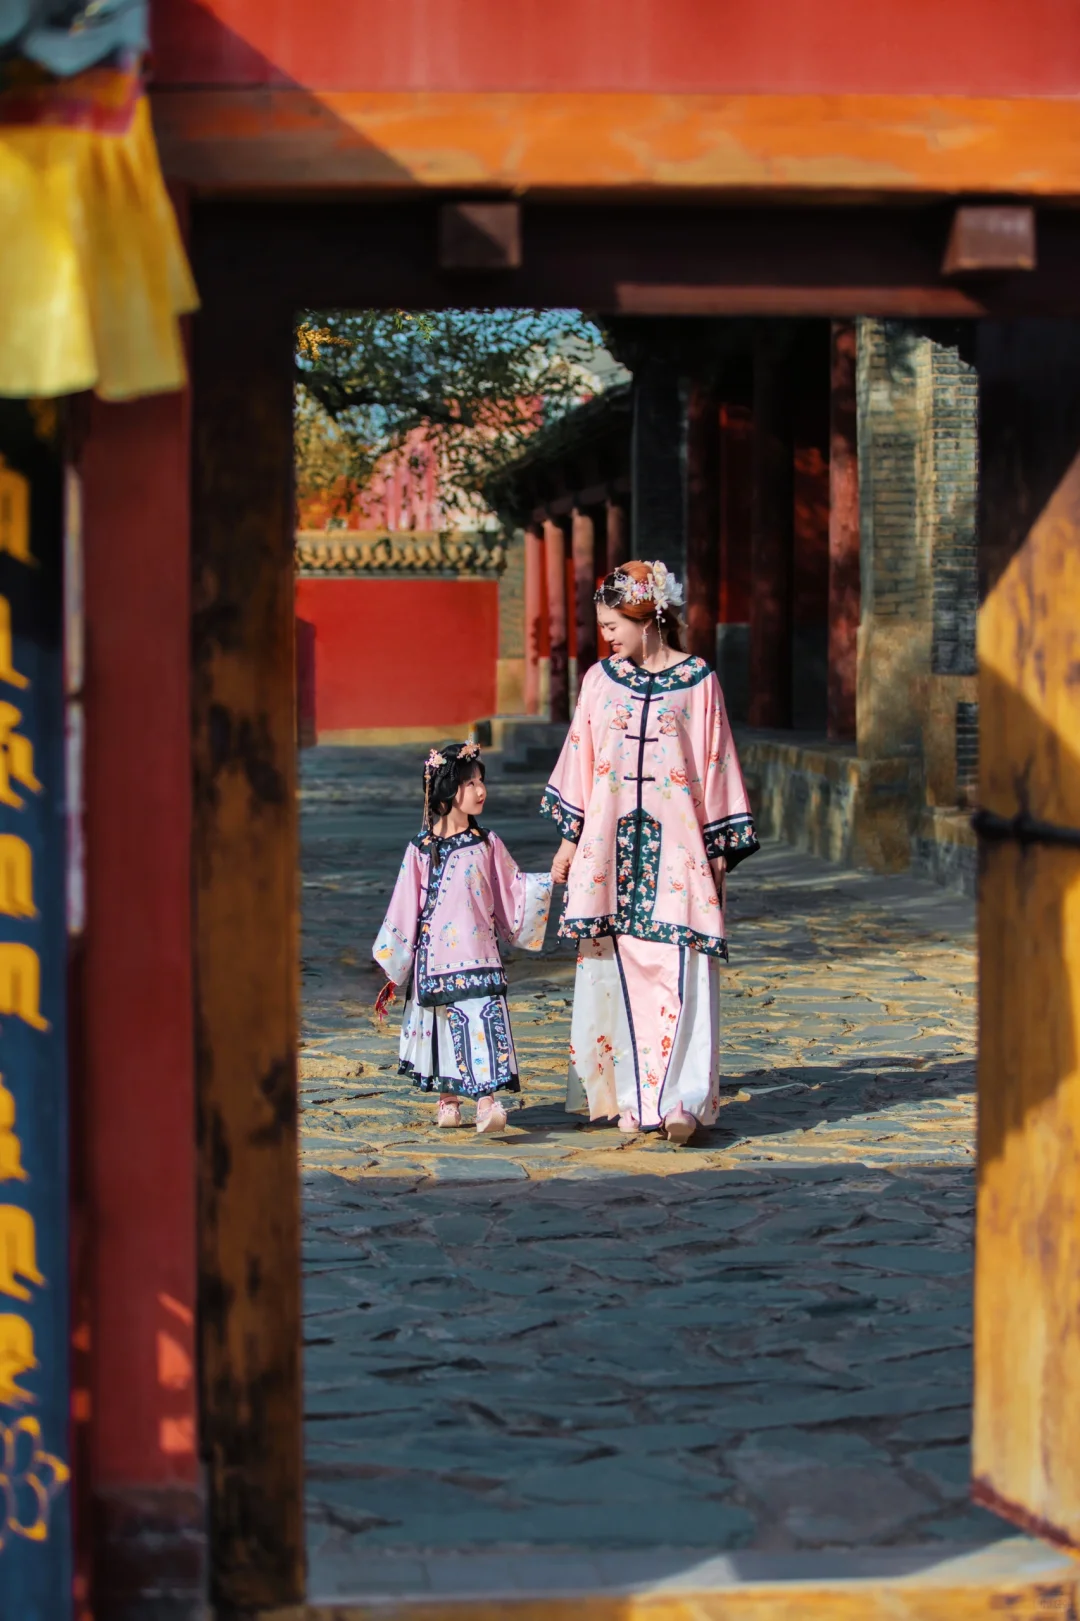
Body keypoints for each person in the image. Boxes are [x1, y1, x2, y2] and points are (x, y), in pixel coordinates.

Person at [542, 560, 758, 1143]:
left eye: (614, 623)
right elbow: (582, 763)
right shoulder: (599, 681)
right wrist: (568, 842)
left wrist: (717, 852)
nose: (607, 635)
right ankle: (635, 1099)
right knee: (618, 969)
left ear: (649, 616)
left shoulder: (699, 683)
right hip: (609, 852)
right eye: (602, 625)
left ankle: (683, 1100)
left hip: (680, 854)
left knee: (681, 967)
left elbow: (716, 769)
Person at [373, 741, 552, 1134]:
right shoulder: (421, 849)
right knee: (441, 1027)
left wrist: (549, 883)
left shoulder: (488, 844)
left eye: (481, 781)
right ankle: (448, 1100)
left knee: (483, 1023)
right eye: (470, 783)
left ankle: (487, 1103)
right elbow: (404, 907)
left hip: (481, 955)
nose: (480, 790)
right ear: (446, 791)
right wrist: (396, 963)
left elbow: (514, 888)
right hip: (434, 960)